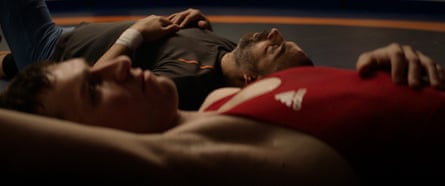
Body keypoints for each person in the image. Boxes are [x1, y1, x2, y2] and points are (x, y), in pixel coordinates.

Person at [0, 41, 444, 185]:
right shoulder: (199, 155)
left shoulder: (219, 101)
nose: (117, 63)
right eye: (93, 88)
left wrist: (390, 73)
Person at [1, 0, 315, 110]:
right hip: (73, 39)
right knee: (8, 63)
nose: (274, 33)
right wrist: (195, 29)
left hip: (53, 55)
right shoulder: (229, 53)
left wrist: (135, 34)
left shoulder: (188, 83)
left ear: (252, 80)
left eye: (276, 49)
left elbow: (92, 86)